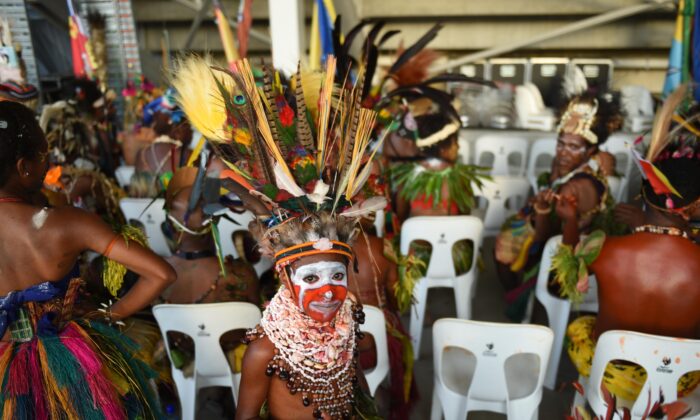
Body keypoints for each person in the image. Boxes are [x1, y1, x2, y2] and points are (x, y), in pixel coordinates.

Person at [172, 55, 380, 419]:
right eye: (311, 278)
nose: (329, 291)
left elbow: (356, 389)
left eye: (338, 276)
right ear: (284, 276)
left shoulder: (345, 322)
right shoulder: (265, 350)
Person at [0, 100, 176, 418]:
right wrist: (109, 315)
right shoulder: (68, 223)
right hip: (71, 366)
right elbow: (161, 274)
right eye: (43, 156)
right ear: (24, 166)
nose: (49, 162)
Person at [553, 89, 700, 403]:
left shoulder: (605, 248)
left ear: (643, 193)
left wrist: (569, 221)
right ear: (694, 209)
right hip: (677, 383)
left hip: (612, 376)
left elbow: (563, 281)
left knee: (581, 327)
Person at [494, 95, 623, 321]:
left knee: (505, 249)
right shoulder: (576, 167)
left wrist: (542, 210)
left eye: (574, 147)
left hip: (564, 250)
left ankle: (518, 300)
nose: (563, 152)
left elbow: (547, 239)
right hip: (566, 237)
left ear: (590, 151)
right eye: (561, 144)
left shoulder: (572, 188)